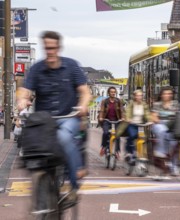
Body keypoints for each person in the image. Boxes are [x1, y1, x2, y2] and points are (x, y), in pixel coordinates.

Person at [16, 31, 91, 203]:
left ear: (58, 47)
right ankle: (42, 182)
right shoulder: (36, 69)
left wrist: (83, 105)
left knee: (64, 137)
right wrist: (22, 100)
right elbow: (25, 91)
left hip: (68, 117)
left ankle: (73, 187)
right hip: (45, 120)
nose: (49, 51)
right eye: (46, 48)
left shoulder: (71, 66)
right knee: (33, 147)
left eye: (52, 48)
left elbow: (85, 92)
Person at [151, 86, 180, 176]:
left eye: (169, 93)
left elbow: (178, 116)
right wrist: (161, 122)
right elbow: (154, 116)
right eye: (165, 93)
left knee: (174, 143)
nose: (167, 95)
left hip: (172, 125)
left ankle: (174, 165)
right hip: (159, 124)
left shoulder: (175, 104)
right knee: (162, 130)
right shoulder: (157, 104)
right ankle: (161, 151)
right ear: (161, 95)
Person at [122, 89, 151, 163]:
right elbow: (127, 112)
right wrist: (128, 119)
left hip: (141, 125)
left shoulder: (144, 104)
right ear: (135, 96)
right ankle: (129, 152)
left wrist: (149, 120)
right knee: (132, 136)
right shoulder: (131, 104)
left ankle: (141, 154)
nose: (139, 97)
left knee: (143, 138)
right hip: (132, 124)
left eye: (141, 96)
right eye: (138, 95)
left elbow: (147, 113)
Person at [98, 86, 124, 157]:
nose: (113, 93)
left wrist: (122, 118)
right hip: (107, 120)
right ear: (108, 93)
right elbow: (102, 110)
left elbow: (121, 110)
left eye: (114, 92)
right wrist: (101, 117)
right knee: (106, 133)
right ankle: (103, 147)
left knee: (117, 135)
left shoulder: (118, 101)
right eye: (111, 92)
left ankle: (117, 152)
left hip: (116, 121)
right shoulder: (105, 101)